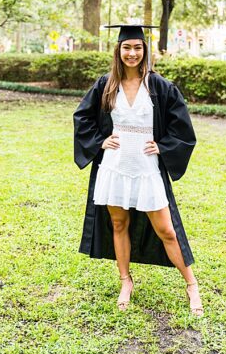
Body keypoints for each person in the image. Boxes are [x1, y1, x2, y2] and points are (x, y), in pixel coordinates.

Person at [73, 24, 202, 315]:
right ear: (118, 51)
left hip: (146, 168)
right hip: (115, 166)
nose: (132, 53)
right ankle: (125, 280)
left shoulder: (159, 87)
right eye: (126, 47)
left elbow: (183, 127)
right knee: (119, 224)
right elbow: (82, 117)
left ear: (145, 51)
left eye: (137, 47)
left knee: (167, 229)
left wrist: (165, 147)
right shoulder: (106, 84)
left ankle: (191, 284)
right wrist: (99, 140)